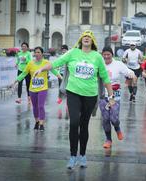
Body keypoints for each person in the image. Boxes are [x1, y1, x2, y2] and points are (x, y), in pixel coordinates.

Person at [34, 30, 115, 169]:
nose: (86, 38)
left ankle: (82, 155)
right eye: (84, 36)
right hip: (73, 93)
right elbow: (56, 63)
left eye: (89, 36)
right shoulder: (72, 53)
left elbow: (105, 79)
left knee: (84, 125)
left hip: (90, 95)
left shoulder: (97, 57)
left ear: (93, 41)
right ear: (81, 39)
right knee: (74, 123)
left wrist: (111, 96)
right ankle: (72, 156)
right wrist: (42, 69)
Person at [11, 47, 62, 131]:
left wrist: (61, 78)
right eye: (35, 52)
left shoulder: (46, 62)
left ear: (42, 53)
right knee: (35, 107)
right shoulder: (30, 63)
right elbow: (24, 73)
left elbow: (54, 71)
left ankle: (42, 124)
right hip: (32, 89)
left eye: (38, 52)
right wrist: (15, 81)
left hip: (43, 88)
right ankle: (37, 121)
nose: (37, 54)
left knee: (41, 106)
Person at [99, 46, 135, 149]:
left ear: (112, 54)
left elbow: (129, 72)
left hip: (115, 97)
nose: (106, 56)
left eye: (108, 54)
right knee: (106, 119)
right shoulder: (99, 64)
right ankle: (108, 140)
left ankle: (117, 128)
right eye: (104, 54)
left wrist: (131, 76)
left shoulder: (118, 64)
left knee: (114, 118)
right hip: (103, 96)